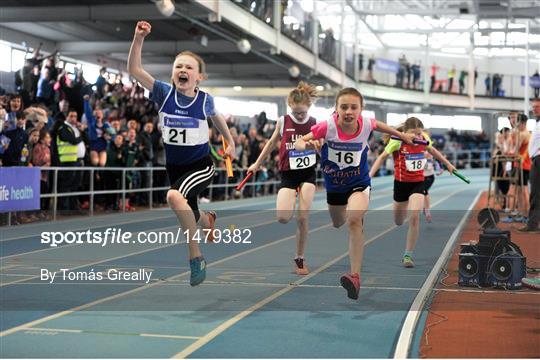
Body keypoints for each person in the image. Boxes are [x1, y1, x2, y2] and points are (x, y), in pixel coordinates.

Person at [127, 20, 236, 285]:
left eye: (189, 67)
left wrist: (229, 139)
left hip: (200, 165)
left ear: (199, 77)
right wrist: (138, 38)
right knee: (190, 211)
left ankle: (195, 257)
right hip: (174, 168)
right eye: (179, 67)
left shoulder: (204, 100)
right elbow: (134, 69)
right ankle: (208, 221)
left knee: (174, 197)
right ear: (173, 73)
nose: (183, 70)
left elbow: (216, 117)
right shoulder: (163, 93)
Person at [295, 88, 415, 300]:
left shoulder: (366, 124)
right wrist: (304, 144)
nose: (349, 111)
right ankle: (354, 220)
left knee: (354, 220)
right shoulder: (328, 126)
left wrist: (402, 135)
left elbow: (381, 126)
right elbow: (300, 140)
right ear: (336, 109)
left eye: (354, 107)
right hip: (335, 187)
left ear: (361, 109)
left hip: (358, 182)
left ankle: (355, 277)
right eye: (344, 107)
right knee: (338, 222)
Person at [248, 82, 318, 275]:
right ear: (290, 108)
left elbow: (322, 146)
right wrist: (257, 164)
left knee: (302, 217)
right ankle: (291, 206)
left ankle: (300, 257)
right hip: (288, 174)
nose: (299, 116)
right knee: (283, 217)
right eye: (296, 113)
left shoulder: (315, 123)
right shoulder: (283, 121)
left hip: (307, 174)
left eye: (302, 112)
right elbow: (271, 144)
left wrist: (309, 146)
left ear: (309, 107)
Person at [369, 117, 456, 268]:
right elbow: (382, 157)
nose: (417, 137)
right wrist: (368, 177)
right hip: (401, 185)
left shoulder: (424, 139)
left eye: (419, 133)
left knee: (414, 216)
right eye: (413, 134)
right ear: (405, 132)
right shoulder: (397, 141)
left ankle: (407, 255)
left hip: (418, 183)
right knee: (398, 221)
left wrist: (447, 164)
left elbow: (432, 150)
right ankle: (400, 212)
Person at [519, 99, 540, 233]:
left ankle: (532, 224)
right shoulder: (537, 123)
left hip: (539, 159)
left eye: (537, 106)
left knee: (536, 193)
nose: (534, 109)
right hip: (536, 159)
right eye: (533, 107)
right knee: (536, 193)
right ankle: (533, 223)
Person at [422, 149, 443, 223]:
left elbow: (438, 157)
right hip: (419, 177)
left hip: (429, 177)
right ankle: (425, 208)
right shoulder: (416, 150)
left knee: (424, 191)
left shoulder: (430, 150)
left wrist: (441, 168)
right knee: (421, 193)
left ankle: (427, 212)